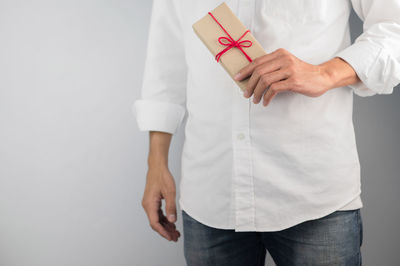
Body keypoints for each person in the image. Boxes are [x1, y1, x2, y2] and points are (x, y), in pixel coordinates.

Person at [133, 0, 400, 265]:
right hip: (212, 190)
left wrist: (326, 73)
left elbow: (394, 27)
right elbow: (166, 62)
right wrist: (156, 162)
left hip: (313, 192)